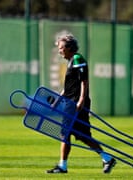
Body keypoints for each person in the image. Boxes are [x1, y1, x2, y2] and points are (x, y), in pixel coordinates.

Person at [46, 34, 116, 174]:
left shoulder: (77, 58)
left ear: (69, 48)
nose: (59, 51)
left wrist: (81, 100)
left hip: (76, 103)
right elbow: (68, 87)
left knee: (72, 134)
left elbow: (84, 81)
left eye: (61, 47)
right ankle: (105, 158)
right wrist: (58, 100)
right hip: (70, 102)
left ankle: (64, 166)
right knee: (75, 134)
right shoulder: (71, 61)